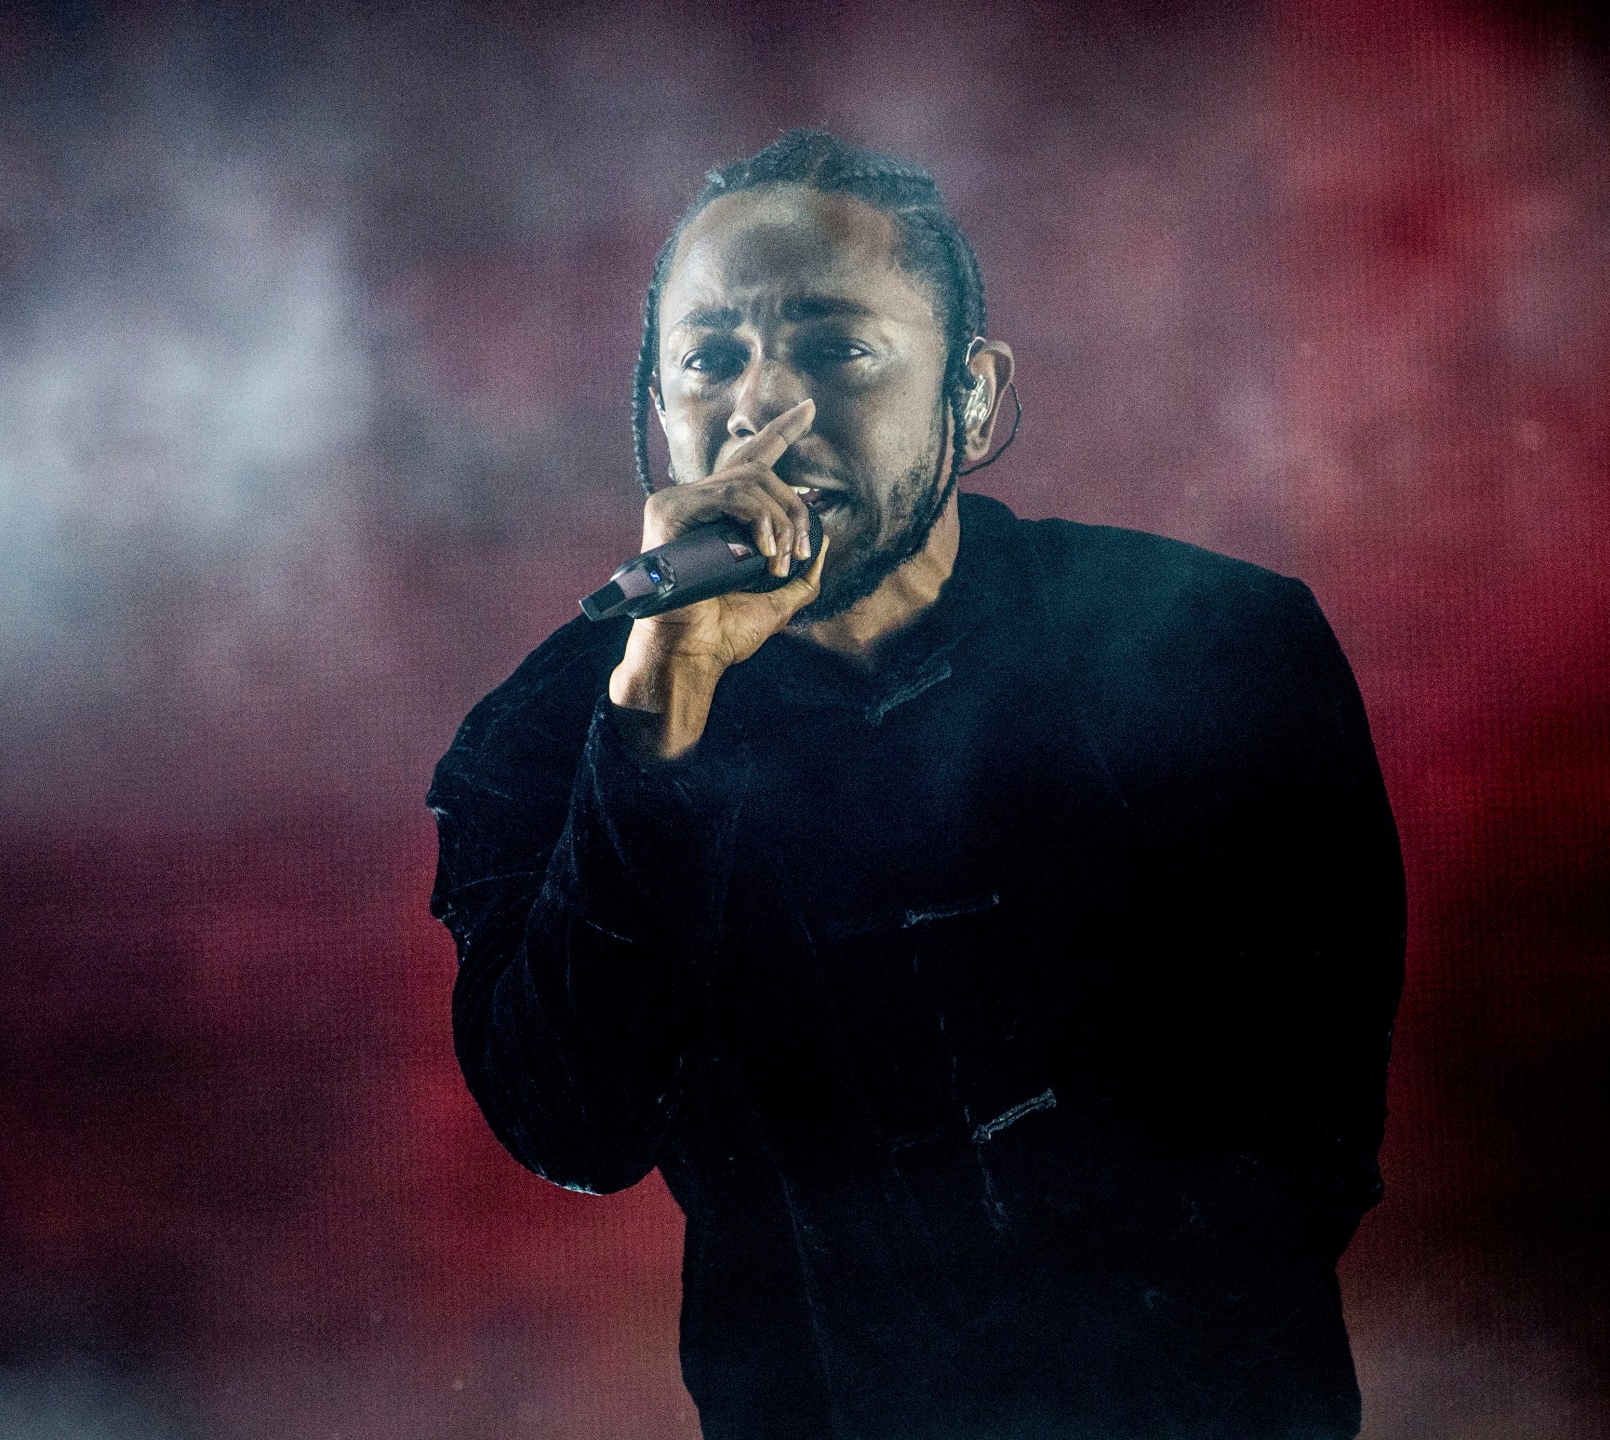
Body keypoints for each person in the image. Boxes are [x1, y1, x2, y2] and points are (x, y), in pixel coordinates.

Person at [427, 129, 1405, 1439]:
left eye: (837, 349)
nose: (761, 417)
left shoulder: (1223, 646)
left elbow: (1301, 1131)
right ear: (657, 408)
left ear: (977, 403)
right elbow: (574, 1126)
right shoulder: (549, 727)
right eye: (710, 358)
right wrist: (660, 715)